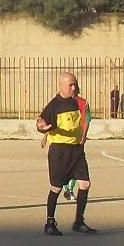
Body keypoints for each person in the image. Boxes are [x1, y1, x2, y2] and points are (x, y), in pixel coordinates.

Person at [37, 72, 95, 236]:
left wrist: (82, 135)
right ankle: (49, 223)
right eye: (70, 85)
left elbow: (84, 120)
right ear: (61, 86)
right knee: (56, 187)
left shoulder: (76, 103)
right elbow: (42, 123)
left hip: (76, 150)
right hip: (60, 151)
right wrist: (42, 128)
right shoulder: (53, 106)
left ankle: (79, 221)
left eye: (75, 84)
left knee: (85, 184)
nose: (74, 88)